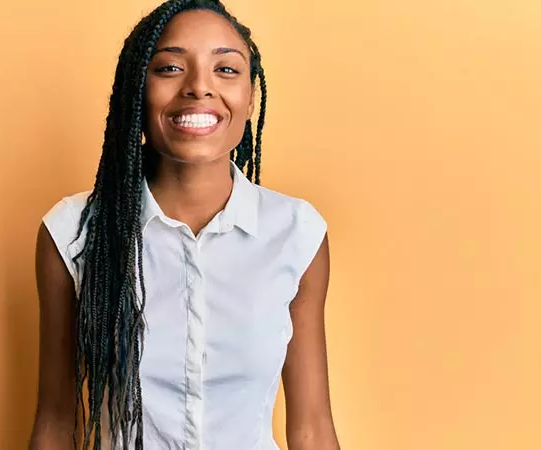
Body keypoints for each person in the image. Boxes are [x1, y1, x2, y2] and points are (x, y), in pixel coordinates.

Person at [29, 1, 339, 449]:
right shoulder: (72, 233)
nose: (200, 87)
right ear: (137, 90)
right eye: (171, 67)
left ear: (251, 98)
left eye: (226, 70)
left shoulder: (296, 234)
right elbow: (57, 422)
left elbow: (311, 426)